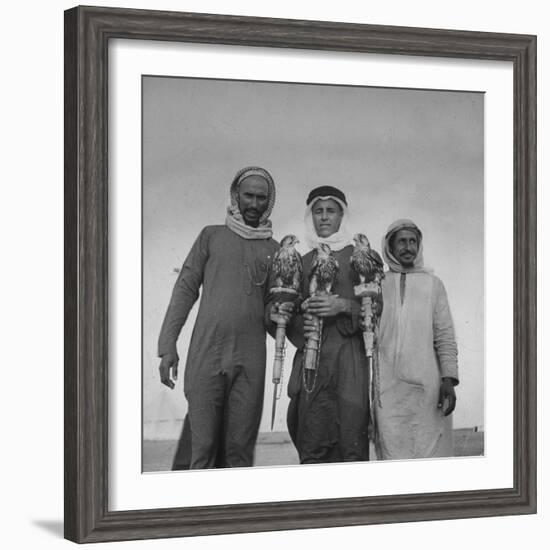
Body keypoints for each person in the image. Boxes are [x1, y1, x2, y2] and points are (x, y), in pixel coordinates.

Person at [158, 166, 279, 469]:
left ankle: (232, 512)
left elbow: (271, 310)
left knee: (239, 449)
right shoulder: (211, 236)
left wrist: (277, 314)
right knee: (202, 446)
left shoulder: (275, 250)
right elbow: (185, 288)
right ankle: (192, 513)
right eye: (248, 196)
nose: (254, 204)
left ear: (270, 201)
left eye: (261, 198)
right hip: (207, 353)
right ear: (235, 196)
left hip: (250, 358)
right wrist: (168, 344)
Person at [268, 186, 369, 464]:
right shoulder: (301, 261)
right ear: (310, 216)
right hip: (312, 361)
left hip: (350, 363)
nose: (324, 217)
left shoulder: (359, 257)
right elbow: (285, 310)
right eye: (318, 211)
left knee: (351, 439)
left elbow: (379, 310)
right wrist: (292, 316)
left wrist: (345, 306)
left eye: (331, 211)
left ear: (342, 216)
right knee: (312, 437)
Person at [374, 219, 459, 460]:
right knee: (392, 460)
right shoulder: (377, 284)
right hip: (388, 391)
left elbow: (445, 334)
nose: (408, 247)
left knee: (429, 458)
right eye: (401, 241)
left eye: (413, 241)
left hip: (428, 389)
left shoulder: (433, 285)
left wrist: (449, 379)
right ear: (390, 246)